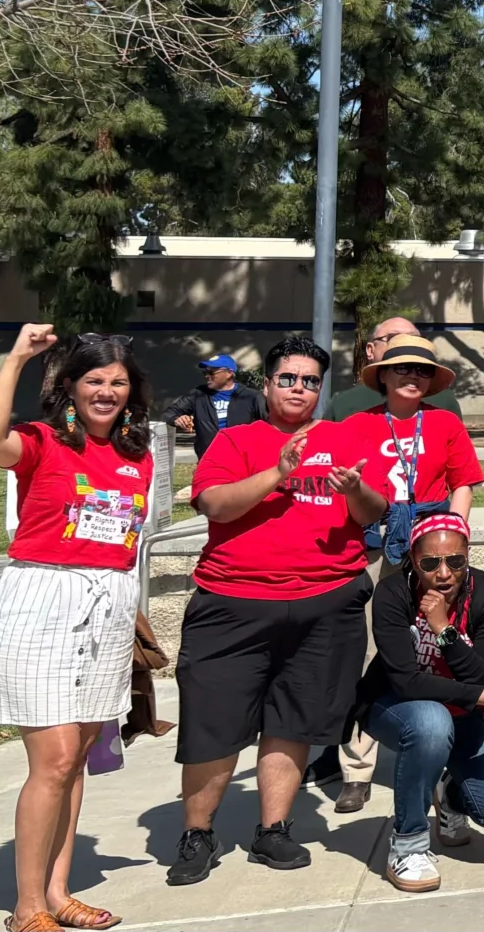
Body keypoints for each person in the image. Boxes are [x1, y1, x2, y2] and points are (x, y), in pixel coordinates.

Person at [171, 334, 389, 885]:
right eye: (288, 378)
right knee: (213, 724)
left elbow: (373, 511)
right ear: (267, 383)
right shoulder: (236, 439)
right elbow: (213, 504)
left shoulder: (346, 437)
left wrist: (357, 489)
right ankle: (198, 833)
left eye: (310, 380)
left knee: (293, 720)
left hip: (325, 603)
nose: (299, 388)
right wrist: (278, 473)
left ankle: (274, 830)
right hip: (234, 602)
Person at [0, 327, 153, 932]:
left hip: (107, 605)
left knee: (76, 758)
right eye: (94, 381)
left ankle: (57, 892)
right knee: (51, 759)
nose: (106, 392)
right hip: (44, 597)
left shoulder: (137, 455)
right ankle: (26, 908)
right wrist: (18, 357)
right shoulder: (43, 442)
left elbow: (123, 539)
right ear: (71, 388)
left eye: (117, 383)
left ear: (132, 393)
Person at [324, 334, 484, 812]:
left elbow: (463, 485)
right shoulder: (356, 425)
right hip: (373, 542)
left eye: (421, 371)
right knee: (368, 650)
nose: (411, 377)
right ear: (384, 376)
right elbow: (344, 490)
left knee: (435, 641)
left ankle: (440, 753)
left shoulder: (445, 424)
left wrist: (452, 540)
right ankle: (357, 767)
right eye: (401, 370)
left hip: (431, 543)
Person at [354, 513, 484, 894]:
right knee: (430, 722)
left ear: (467, 556)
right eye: (430, 563)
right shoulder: (392, 594)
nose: (444, 573)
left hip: (464, 715)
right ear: (412, 560)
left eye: (455, 561)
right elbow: (406, 683)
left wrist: (444, 630)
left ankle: (450, 794)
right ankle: (408, 844)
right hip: (393, 706)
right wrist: (482, 696)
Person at [326, 319, 465, 419]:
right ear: (370, 350)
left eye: (413, 339)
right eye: (393, 338)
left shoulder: (445, 401)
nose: (405, 345)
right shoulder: (344, 403)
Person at [166, 355, 259, 456]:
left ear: (228, 373)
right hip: (208, 459)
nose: (207, 376)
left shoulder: (251, 396)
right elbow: (168, 413)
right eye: (205, 372)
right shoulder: (198, 394)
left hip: (241, 459)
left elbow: (268, 422)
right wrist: (176, 419)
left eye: (211, 372)